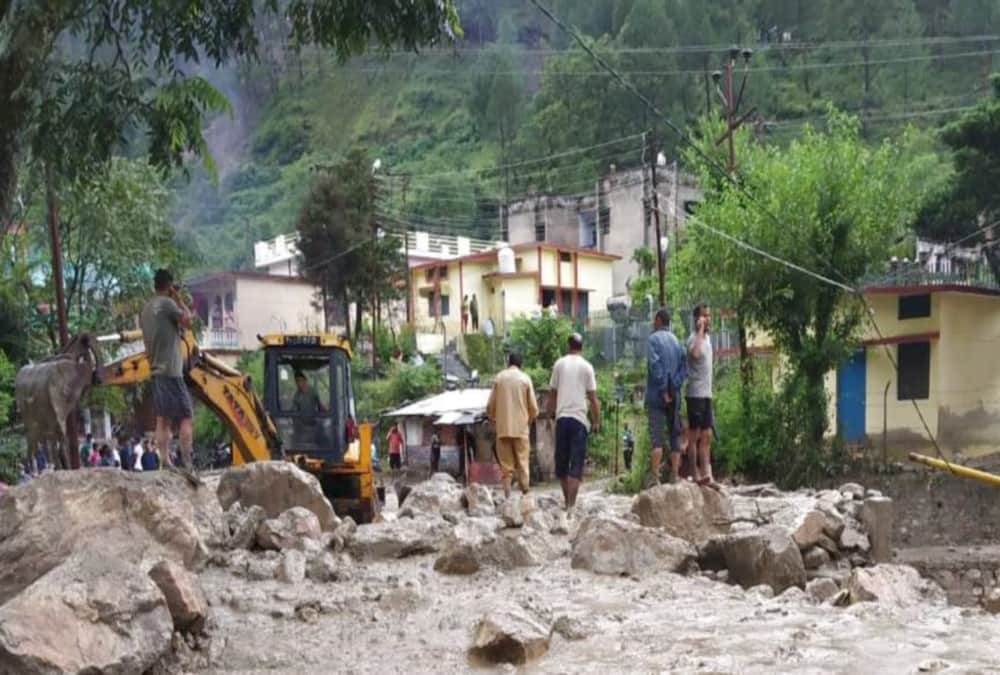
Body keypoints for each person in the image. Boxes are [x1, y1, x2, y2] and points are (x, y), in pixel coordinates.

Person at [140, 269, 195, 471]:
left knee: (162, 419)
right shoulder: (168, 304)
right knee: (186, 416)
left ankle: (165, 460)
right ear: (169, 285)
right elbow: (188, 321)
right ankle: (187, 462)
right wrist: (178, 298)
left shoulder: (146, 309)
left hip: (155, 370)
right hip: (172, 371)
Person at [547, 333, 600, 513]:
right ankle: (571, 505)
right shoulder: (587, 367)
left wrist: (549, 414)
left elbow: (552, 393)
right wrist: (597, 421)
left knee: (562, 465)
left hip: (562, 419)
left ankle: (567, 502)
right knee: (575, 465)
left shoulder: (559, 364)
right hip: (579, 421)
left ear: (568, 345)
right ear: (582, 347)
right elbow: (593, 399)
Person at [486, 352, 539, 497]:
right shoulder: (525, 379)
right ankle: (526, 494)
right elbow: (534, 408)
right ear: (521, 364)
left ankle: (508, 496)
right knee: (523, 463)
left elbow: (490, 406)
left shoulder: (499, 378)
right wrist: (528, 421)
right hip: (521, 430)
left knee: (506, 467)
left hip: (503, 430)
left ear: (508, 363)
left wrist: (495, 420)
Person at [645, 307, 686, 486]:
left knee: (657, 438)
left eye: (655, 319)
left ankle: (655, 478)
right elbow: (684, 369)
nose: (653, 323)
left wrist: (663, 390)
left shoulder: (653, 340)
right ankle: (675, 475)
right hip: (675, 396)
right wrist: (673, 388)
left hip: (657, 396)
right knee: (674, 435)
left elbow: (655, 367)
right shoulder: (678, 342)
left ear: (659, 320)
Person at [687, 304, 718, 488]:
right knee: (694, 436)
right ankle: (695, 473)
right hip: (695, 394)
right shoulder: (694, 339)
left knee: (707, 436)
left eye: (709, 315)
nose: (708, 319)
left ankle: (708, 474)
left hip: (707, 394)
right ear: (697, 319)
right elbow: (695, 353)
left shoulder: (707, 339)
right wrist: (699, 330)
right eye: (705, 316)